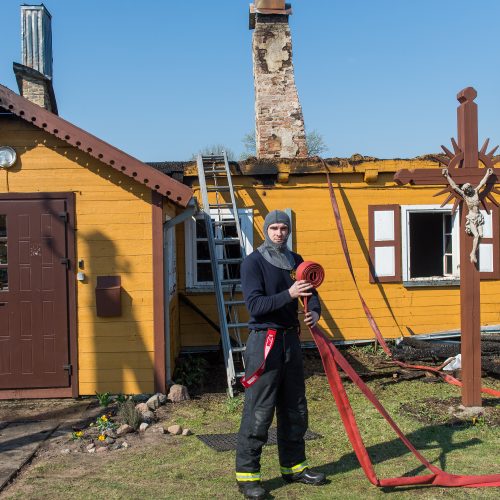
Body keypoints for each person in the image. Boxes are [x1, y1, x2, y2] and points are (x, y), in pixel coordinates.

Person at [235, 210, 326, 500]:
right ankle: (248, 478)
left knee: (295, 408)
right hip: (265, 343)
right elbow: (256, 306)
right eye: (273, 228)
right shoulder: (253, 263)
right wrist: (288, 295)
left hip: (291, 341)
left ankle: (294, 467)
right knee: (259, 412)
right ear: (265, 230)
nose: (279, 233)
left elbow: (312, 296)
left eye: (283, 228)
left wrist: (313, 313)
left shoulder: (297, 261)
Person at [442, 167, 494, 263]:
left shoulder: (476, 192)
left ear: (470, 187)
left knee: (481, 235)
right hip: (472, 217)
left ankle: (473, 251)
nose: (466, 191)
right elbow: (454, 186)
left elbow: (482, 183)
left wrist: (488, 174)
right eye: (465, 190)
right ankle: (473, 253)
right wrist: (447, 176)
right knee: (477, 235)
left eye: (467, 189)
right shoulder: (465, 196)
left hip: (479, 216)